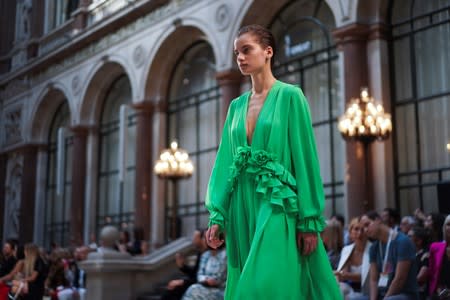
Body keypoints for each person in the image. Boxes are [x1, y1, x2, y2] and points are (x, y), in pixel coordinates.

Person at [204, 24, 342, 299]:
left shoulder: (291, 97)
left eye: (246, 50)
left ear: (268, 52)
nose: (240, 58)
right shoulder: (235, 107)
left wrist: (309, 220)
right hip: (242, 204)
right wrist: (218, 215)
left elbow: (304, 160)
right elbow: (224, 164)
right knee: (247, 275)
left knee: (266, 281)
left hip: (277, 200)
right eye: (236, 53)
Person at [361, 211, 418, 300]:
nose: (365, 230)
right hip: (382, 294)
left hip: (404, 294)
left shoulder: (403, 242)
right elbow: (374, 279)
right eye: (363, 228)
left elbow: (399, 279)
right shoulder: (374, 247)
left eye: (367, 224)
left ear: (378, 220)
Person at [161, 229, 208, 300]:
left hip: (201, 286)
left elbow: (199, 277)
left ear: (201, 239)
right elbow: (195, 273)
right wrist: (182, 266)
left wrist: (181, 282)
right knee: (170, 291)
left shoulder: (207, 255)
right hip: (195, 283)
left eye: (195, 238)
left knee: (172, 291)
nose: (193, 240)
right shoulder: (201, 253)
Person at [335, 217, 372, 299]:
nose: (359, 233)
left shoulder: (372, 249)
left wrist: (345, 275)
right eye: (356, 229)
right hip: (350, 288)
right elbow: (341, 274)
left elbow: (369, 277)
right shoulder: (346, 249)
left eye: (363, 229)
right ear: (350, 232)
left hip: (367, 290)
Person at [428, 214, 450, 299]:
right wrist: (438, 289)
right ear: (444, 227)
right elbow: (432, 273)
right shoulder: (435, 247)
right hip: (441, 294)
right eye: (448, 224)